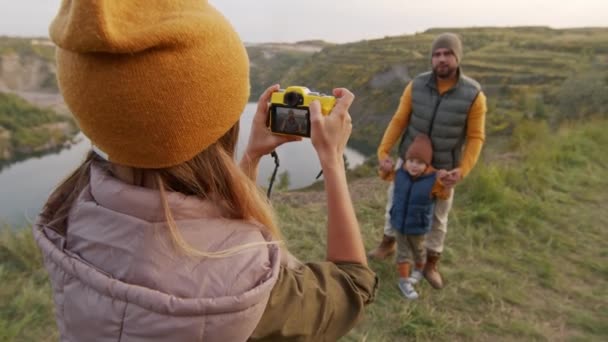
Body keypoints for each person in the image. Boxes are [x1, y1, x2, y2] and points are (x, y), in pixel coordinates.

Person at [33, 1, 376, 341]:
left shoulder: (70, 214)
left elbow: (204, 224)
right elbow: (352, 285)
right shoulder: (242, 275)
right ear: (222, 122)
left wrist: (251, 158)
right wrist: (331, 160)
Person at [368, 32, 487, 290]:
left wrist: (462, 170)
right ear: (431, 58)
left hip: (443, 170)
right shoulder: (416, 85)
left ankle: (431, 263)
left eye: (447, 54)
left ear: (458, 57)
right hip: (408, 162)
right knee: (395, 204)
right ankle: (388, 244)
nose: (441, 59)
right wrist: (384, 152)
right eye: (437, 54)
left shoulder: (474, 95)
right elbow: (399, 120)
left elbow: (476, 137)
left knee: (438, 219)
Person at [380, 134, 450, 299]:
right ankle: (404, 281)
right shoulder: (399, 174)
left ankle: (419, 270)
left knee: (419, 251)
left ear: (427, 165)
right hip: (399, 223)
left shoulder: (432, 180)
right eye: (411, 161)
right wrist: (385, 168)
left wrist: (442, 182)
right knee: (403, 253)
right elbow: (385, 176)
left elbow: (444, 195)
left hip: (418, 226)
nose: (414, 166)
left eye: (420, 163)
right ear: (406, 160)